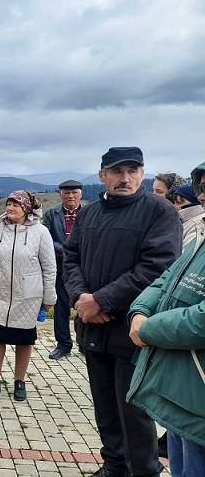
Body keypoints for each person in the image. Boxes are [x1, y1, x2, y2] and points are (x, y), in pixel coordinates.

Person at [64, 147, 182, 477]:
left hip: (132, 330)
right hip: (93, 327)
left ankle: (143, 471)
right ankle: (113, 466)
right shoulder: (88, 214)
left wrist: (101, 300)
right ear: (102, 175)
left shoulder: (159, 212)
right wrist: (81, 299)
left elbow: (158, 267)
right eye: (117, 171)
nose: (125, 178)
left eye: (133, 170)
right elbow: (71, 260)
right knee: (105, 408)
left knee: (134, 412)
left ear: (142, 174)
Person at [126, 181, 205, 477]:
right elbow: (167, 278)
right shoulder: (200, 236)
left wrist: (149, 329)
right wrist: (140, 310)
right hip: (183, 391)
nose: (201, 196)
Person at [0, 191, 56, 401]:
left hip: (27, 297)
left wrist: (49, 298)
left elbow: (49, 268)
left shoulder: (40, 232)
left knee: (24, 341)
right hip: (0, 294)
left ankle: (19, 381)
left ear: (27, 209)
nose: (10, 208)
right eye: (8, 204)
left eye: (15, 205)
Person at [42, 179, 84, 360]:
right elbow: (46, 239)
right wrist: (64, 251)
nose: (70, 196)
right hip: (60, 267)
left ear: (80, 194)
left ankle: (84, 343)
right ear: (61, 194)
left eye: (74, 192)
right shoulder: (52, 214)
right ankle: (63, 345)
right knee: (60, 308)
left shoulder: (89, 212)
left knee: (84, 306)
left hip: (84, 268)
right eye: (66, 193)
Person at [174, 184, 205, 251]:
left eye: (179, 202)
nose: (175, 206)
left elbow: (182, 257)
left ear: (195, 204)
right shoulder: (183, 222)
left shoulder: (197, 227)